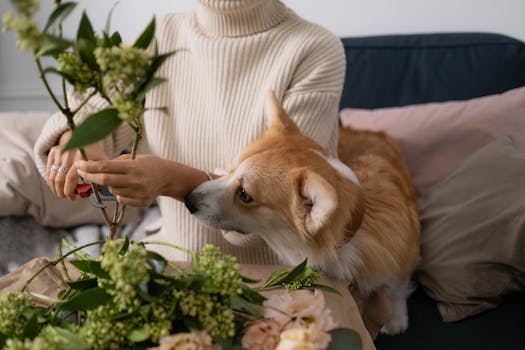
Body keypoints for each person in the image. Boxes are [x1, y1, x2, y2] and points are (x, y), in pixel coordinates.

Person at [34, 0, 346, 263]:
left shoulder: (314, 49)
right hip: (170, 264)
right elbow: (90, 109)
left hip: (275, 283)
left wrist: (172, 180)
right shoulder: (161, 36)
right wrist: (76, 140)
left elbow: (289, 215)